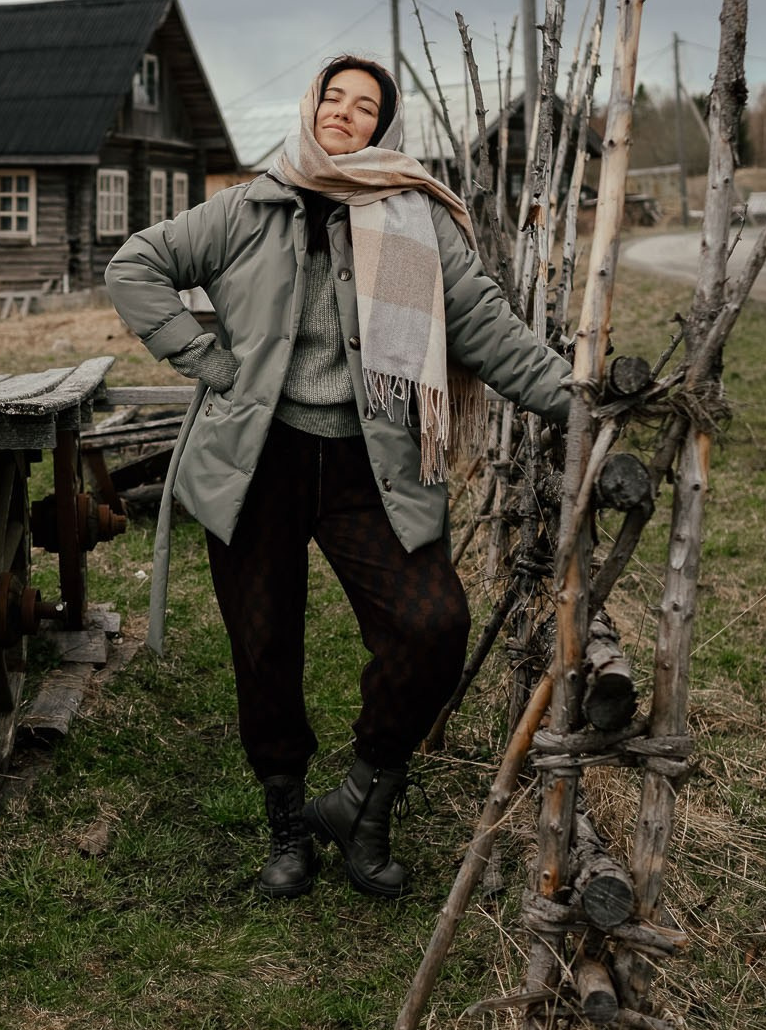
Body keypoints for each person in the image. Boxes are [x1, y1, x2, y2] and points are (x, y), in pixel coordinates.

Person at [104, 55, 572, 899]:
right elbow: (134, 266)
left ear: (383, 128)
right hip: (258, 461)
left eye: (365, 107)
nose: (344, 115)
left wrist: (575, 402)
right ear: (312, 104)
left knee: (433, 623)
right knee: (264, 644)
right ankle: (287, 821)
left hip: (370, 462)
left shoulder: (412, 221)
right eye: (335, 98)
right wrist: (207, 359)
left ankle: (363, 798)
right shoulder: (250, 206)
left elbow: (490, 331)